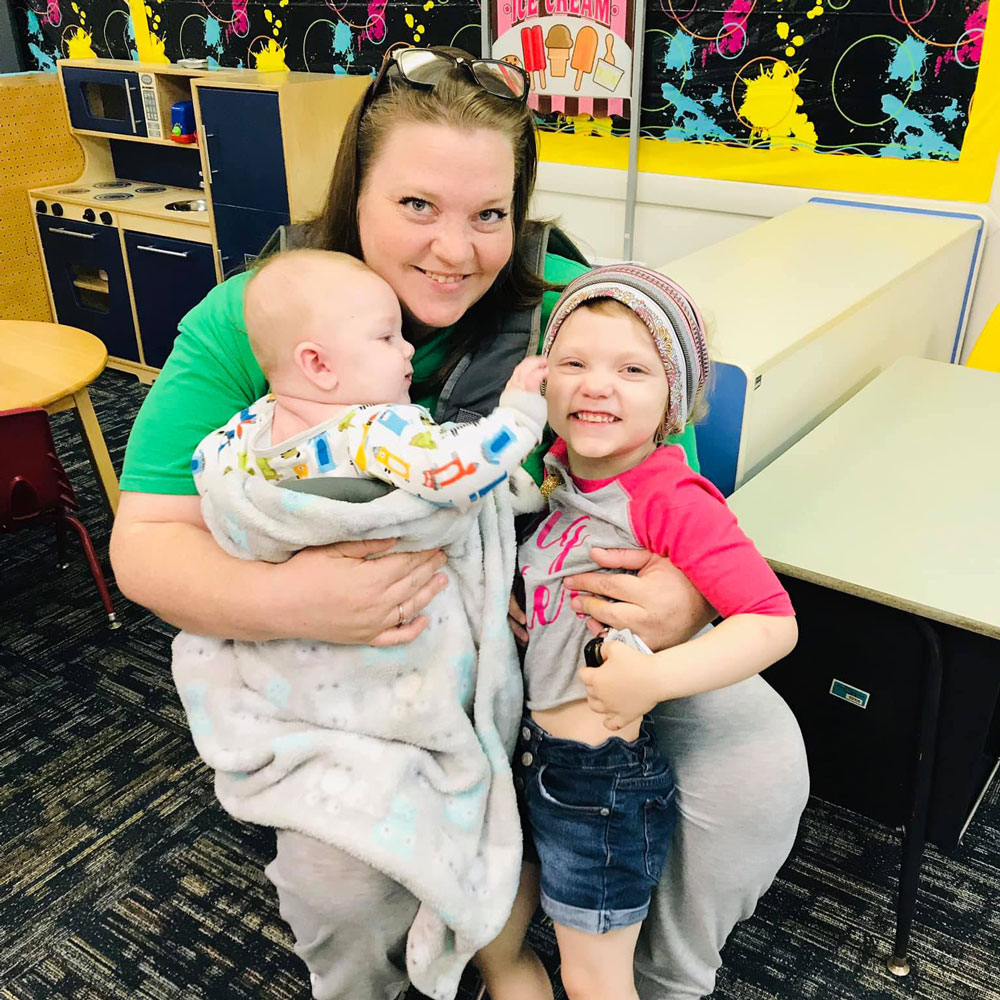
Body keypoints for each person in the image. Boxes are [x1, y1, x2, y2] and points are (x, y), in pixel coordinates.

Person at [110, 44, 810, 1000]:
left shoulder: (567, 305)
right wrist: (291, 598)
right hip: (375, 663)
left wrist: (682, 601)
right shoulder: (265, 315)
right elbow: (145, 544)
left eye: (490, 215)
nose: (455, 249)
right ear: (355, 193)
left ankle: (653, 978)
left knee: (757, 765)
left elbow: (664, 491)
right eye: (416, 207)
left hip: (569, 644)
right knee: (342, 886)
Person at [174, 246, 549, 998]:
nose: (409, 349)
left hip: (297, 665)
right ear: (317, 363)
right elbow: (461, 469)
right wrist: (520, 412)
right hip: (387, 651)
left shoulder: (247, 434)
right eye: (386, 338)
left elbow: (210, 482)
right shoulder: (375, 430)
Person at [479, 264, 798, 1000]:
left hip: (597, 784)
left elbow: (772, 622)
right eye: (573, 363)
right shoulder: (557, 472)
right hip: (521, 755)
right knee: (493, 940)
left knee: (595, 981)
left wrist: (655, 678)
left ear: (672, 402)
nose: (596, 385)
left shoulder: (668, 494)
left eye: (631, 368)